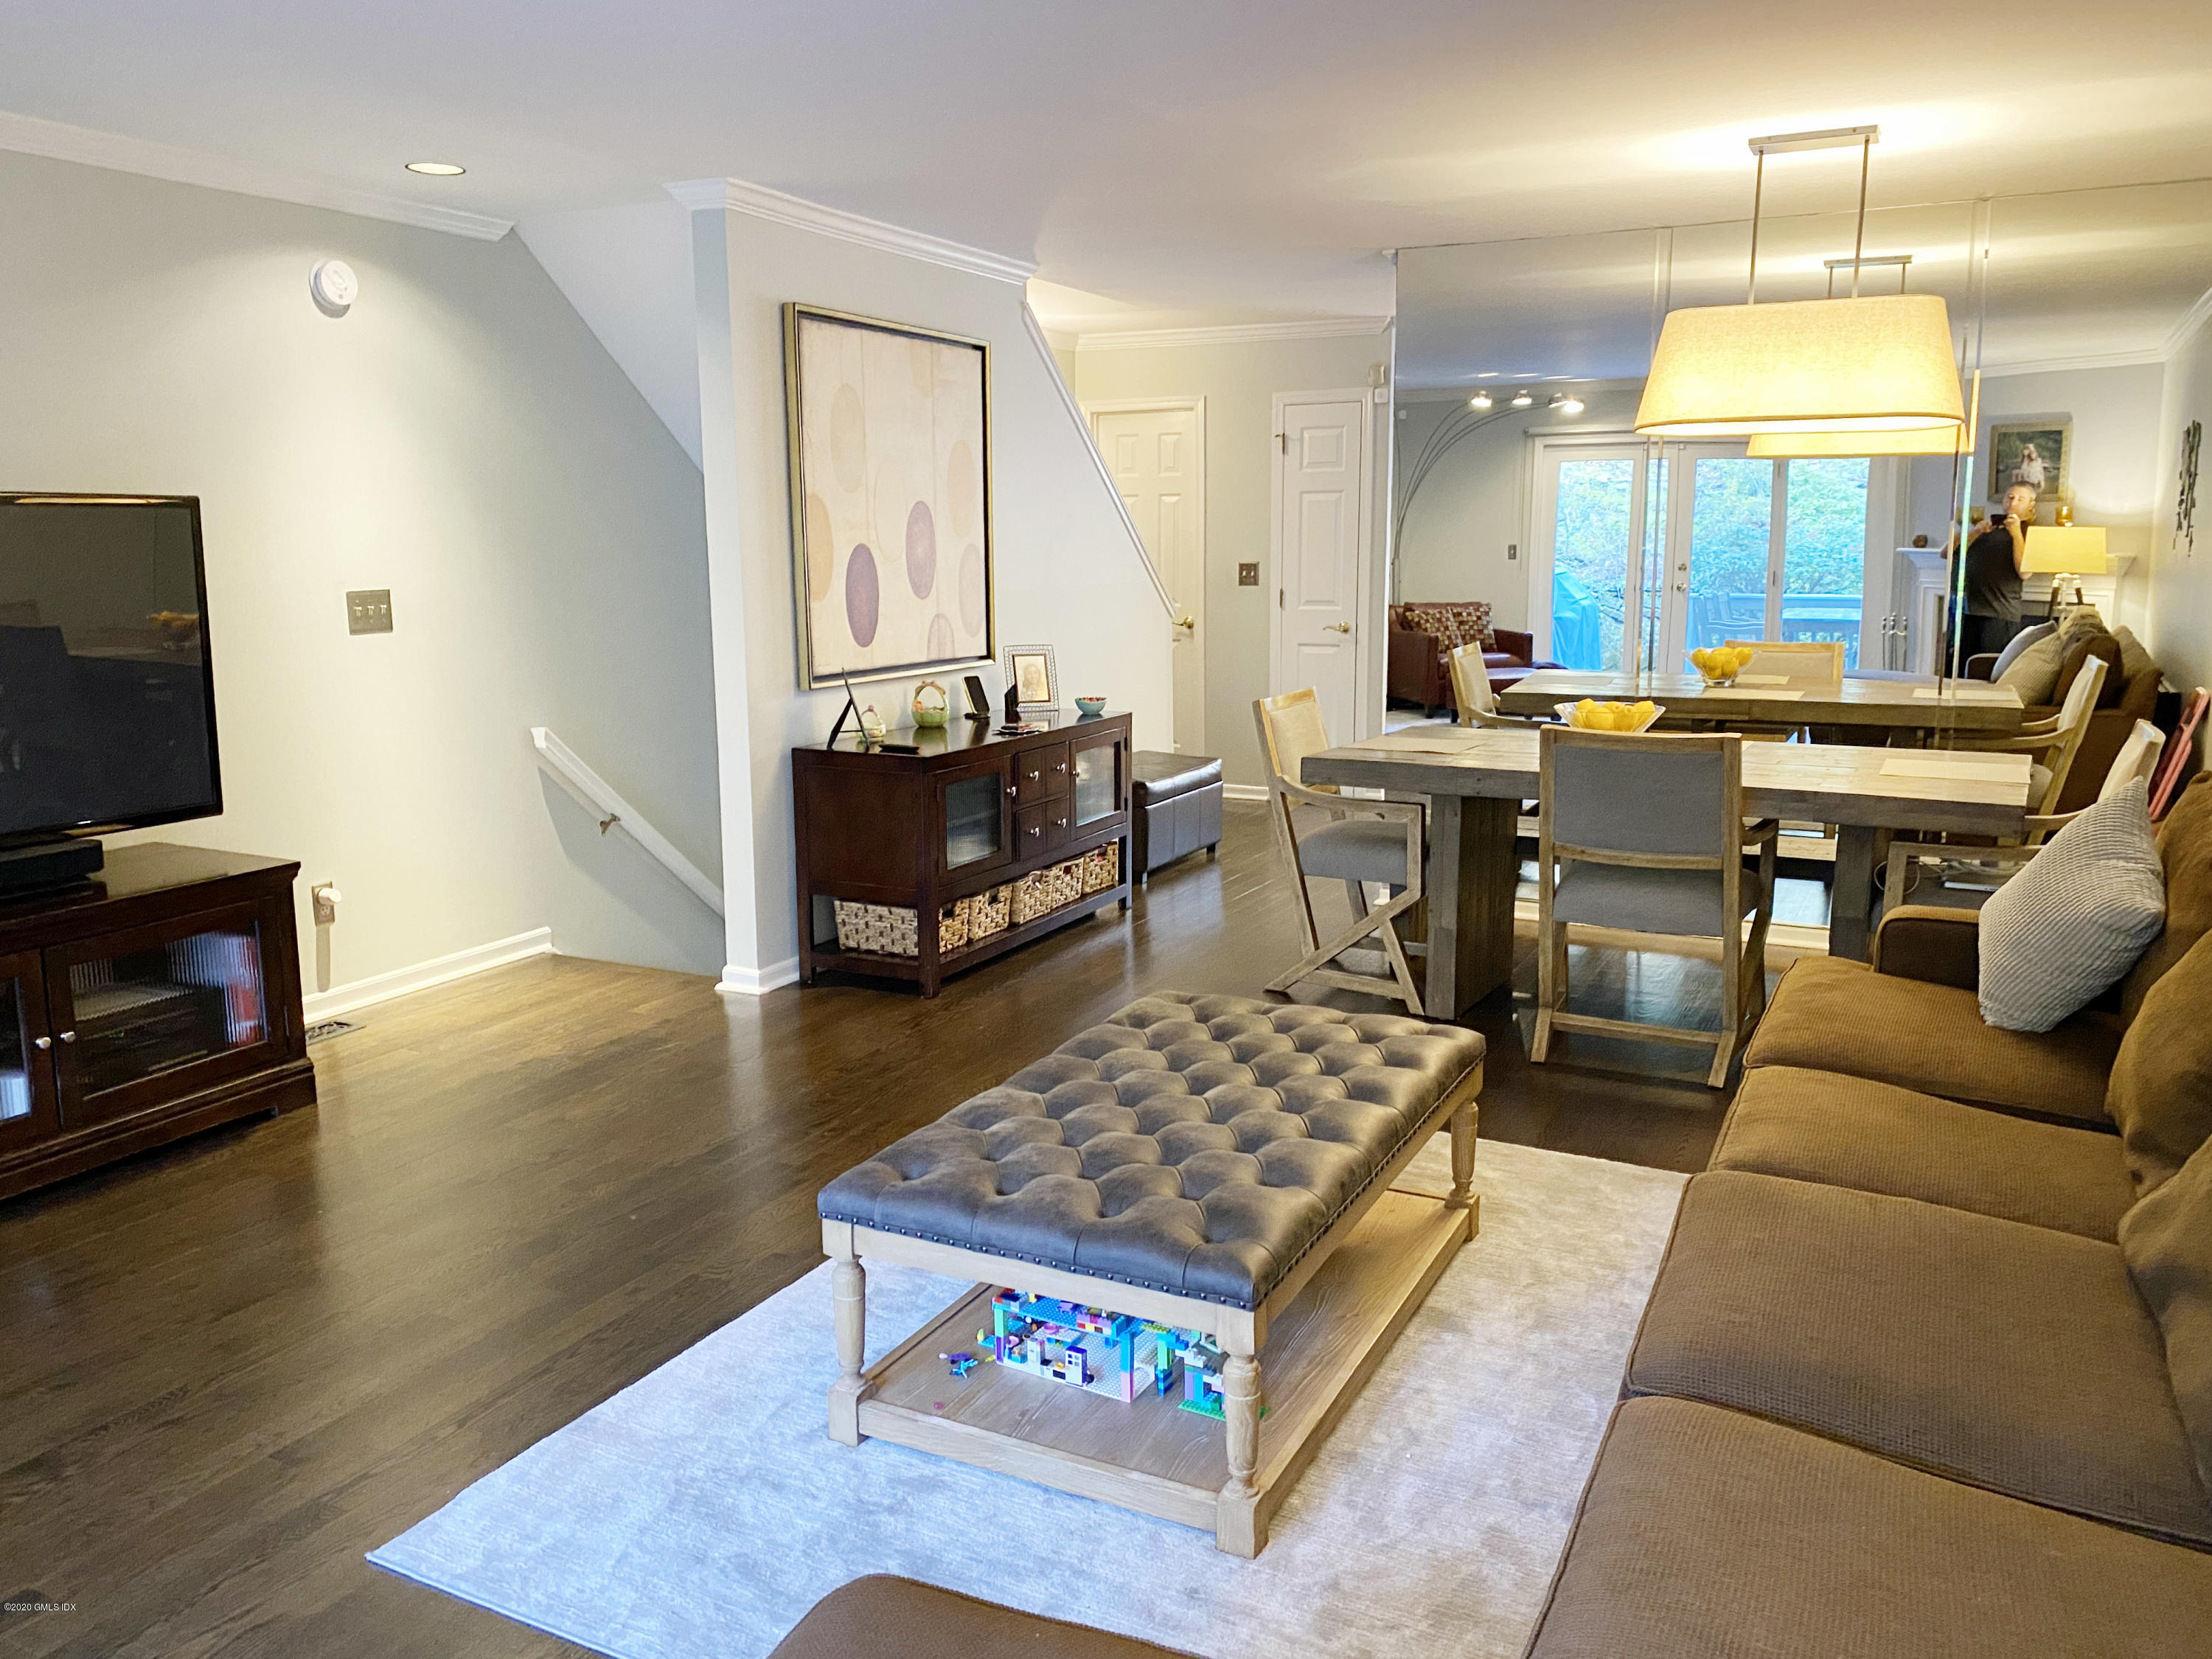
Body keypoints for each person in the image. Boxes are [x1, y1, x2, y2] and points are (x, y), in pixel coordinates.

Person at [1956, 483, 2036, 661]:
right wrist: (1975, 531)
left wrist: (2016, 534)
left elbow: (2025, 572)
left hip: (2000, 615)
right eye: (2010, 497)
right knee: (1964, 670)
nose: (2013, 502)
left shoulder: (2030, 532)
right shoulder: (1987, 527)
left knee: (1987, 669)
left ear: (2031, 504)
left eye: (2020, 499)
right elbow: (1947, 553)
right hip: (1970, 612)